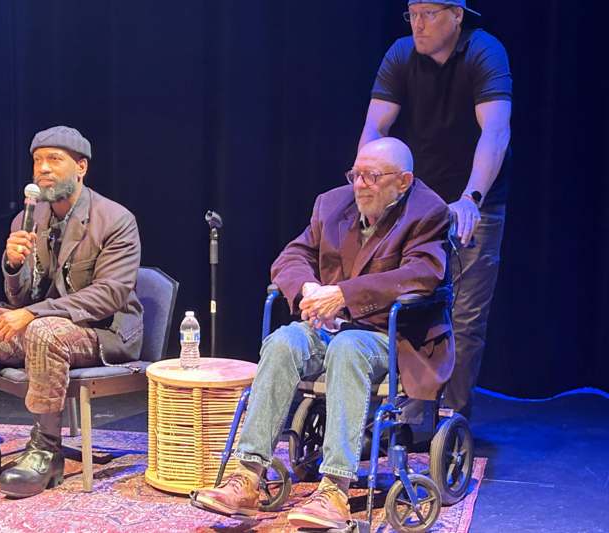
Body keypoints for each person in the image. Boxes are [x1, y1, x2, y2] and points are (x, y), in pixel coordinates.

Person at [190, 137, 453, 529]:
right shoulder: (331, 204)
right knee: (283, 341)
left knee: (348, 347)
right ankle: (246, 477)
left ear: (403, 181)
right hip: (329, 328)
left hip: (392, 335)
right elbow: (292, 256)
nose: (360, 184)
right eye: (356, 174)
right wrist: (308, 289)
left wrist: (345, 294)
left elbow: (422, 274)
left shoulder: (428, 212)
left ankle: (334, 489)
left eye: (372, 176)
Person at [0, 125, 143, 498]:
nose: (43, 169)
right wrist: (13, 266)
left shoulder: (115, 220)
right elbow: (19, 300)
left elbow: (110, 295)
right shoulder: (27, 220)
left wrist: (36, 314)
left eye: (54, 159)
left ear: (81, 167)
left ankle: (47, 450)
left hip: (103, 332)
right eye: (37, 160)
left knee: (43, 331)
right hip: (41, 327)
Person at [358, 0, 512, 416]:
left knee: (464, 317)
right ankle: (406, 413)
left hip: (473, 202)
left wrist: (471, 198)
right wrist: (366, 183)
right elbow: (375, 129)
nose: (418, 24)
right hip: (416, 202)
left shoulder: (484, 52)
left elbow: (495, 133)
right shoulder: (401, 53)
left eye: (429, 14)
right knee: (407, 303)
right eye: (412, 14)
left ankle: (450, 420)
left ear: (457, 15)